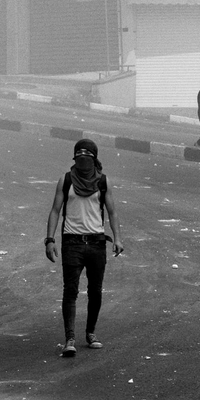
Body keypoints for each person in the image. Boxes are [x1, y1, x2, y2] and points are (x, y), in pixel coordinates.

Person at [45, 139, 123, 358]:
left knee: (95, 292)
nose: (83, 158)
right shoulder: (66, 180)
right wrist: (49, 240)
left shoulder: (103, 182)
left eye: (87, 155)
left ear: (95, 158)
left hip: (97, 243)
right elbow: (55, 211)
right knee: (70, 291)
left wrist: (118, 238)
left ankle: (90, 333)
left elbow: (113, 212)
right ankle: (69, 338)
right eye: (79, 154)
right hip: (72, 242)